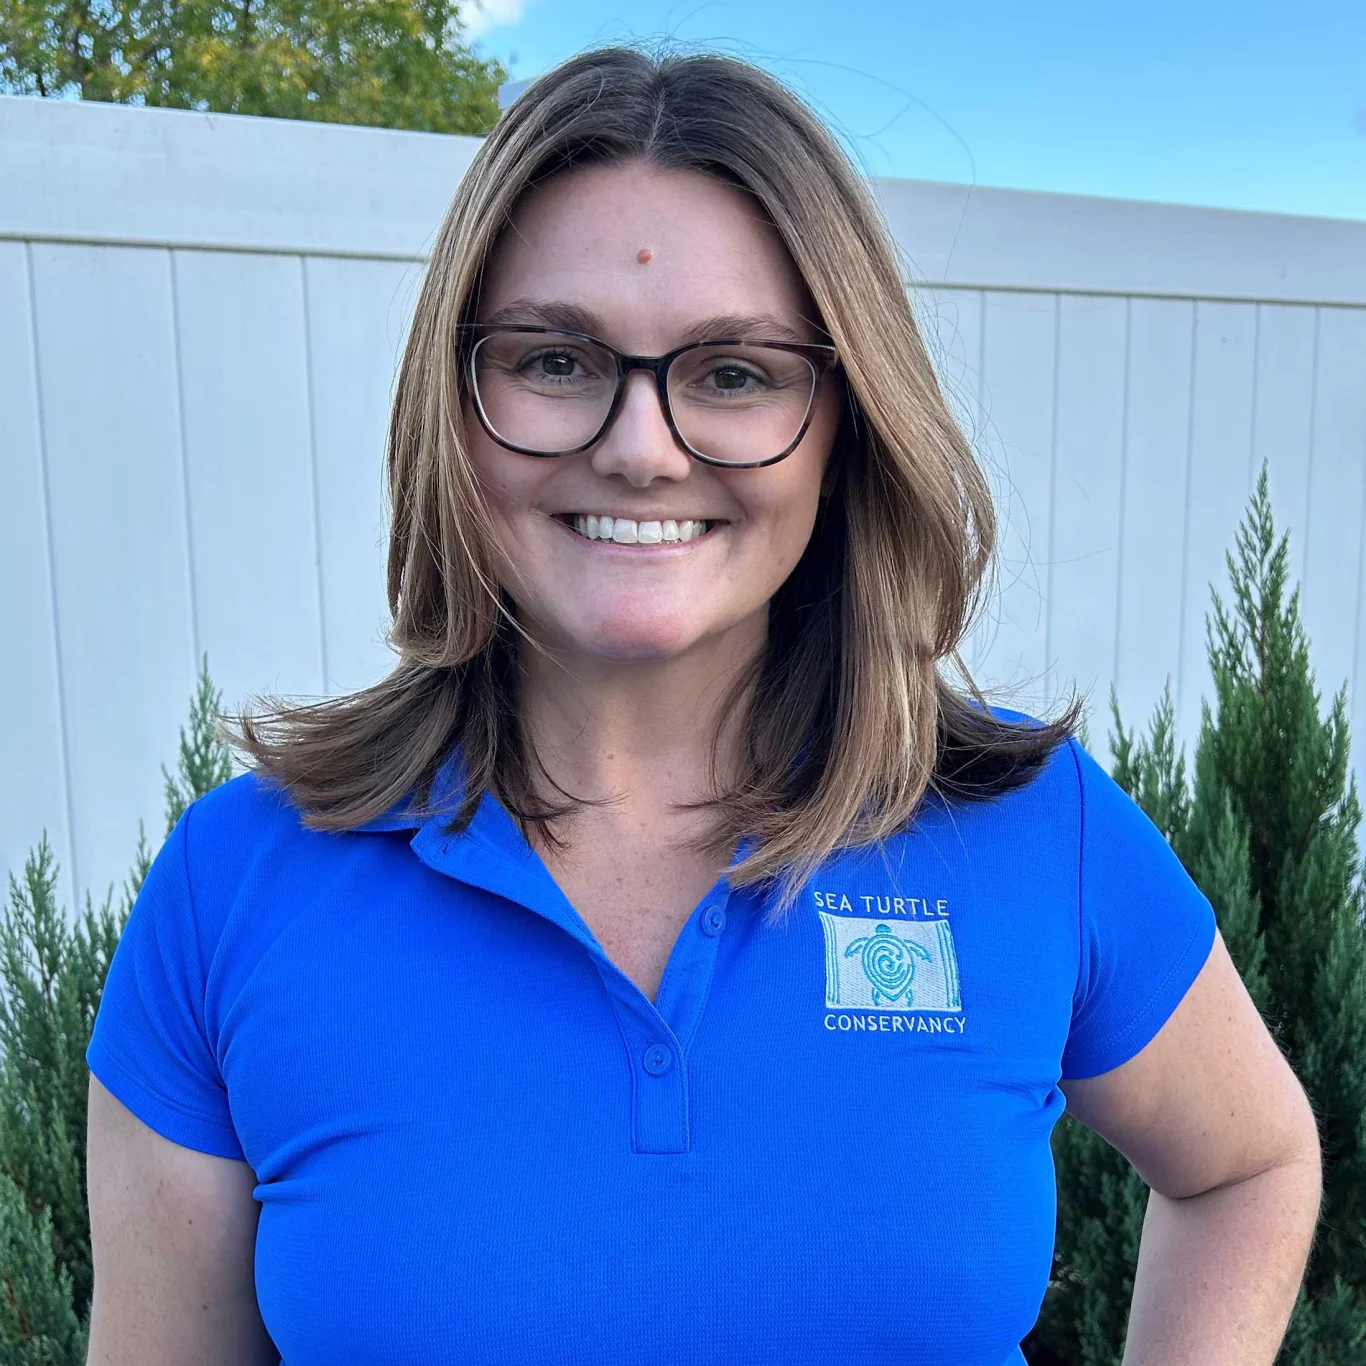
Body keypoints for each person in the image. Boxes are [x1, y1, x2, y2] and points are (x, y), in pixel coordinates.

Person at [84, 44, 1321, 1366]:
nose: (639, 446)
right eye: (554, 360)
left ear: (846, 421)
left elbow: (1248, 1163)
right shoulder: (236, 884)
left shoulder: (1029, 828)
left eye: (734, 373)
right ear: (454, 405)